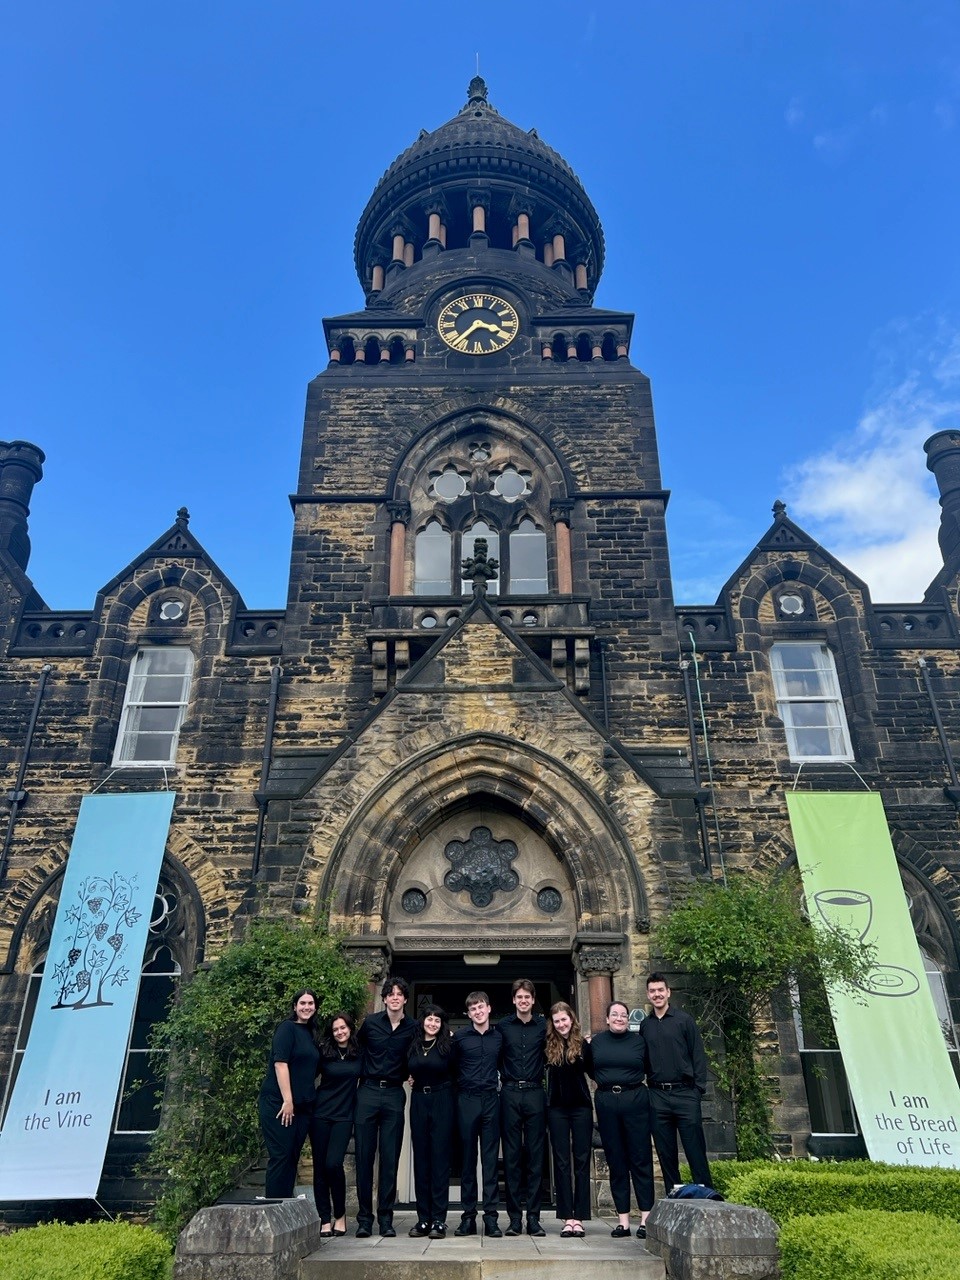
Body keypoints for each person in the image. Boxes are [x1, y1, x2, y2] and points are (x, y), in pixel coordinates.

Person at [354, 975, 416, 1237]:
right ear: (384, 998)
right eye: (390, 994)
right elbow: (355, 1051)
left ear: (405, 999)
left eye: (399, 994)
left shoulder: (413, 1027)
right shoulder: (370, 1023)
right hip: (367, 1092)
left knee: (390, 1158)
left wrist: (415, 1073)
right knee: (364, 1157)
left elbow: (422, 1053)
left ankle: (386, 1219)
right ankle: (364, 1220)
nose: (395, 998)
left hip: (393, 1093)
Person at [588, 999, 654, 1240]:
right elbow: (590, 1068)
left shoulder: (639, 1042)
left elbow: (648, 1067)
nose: (619, 1018)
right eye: (614, 1014)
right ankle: (623, 1222)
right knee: (616, 1160)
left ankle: (646, 1219)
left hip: (635, 1099)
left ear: (628, 1019)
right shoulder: (597, 1043)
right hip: (607, 1101)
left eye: (623, 1015)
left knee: (641, 1158)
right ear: (607, 1019)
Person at [641, 973, 712, 1194]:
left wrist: (697, 1090)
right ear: (648, 995)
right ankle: (674, 1197)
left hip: (685, 1093)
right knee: (666, 1153)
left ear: (668, 992)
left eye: (660, 990)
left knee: (695, 1150)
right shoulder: (645, 1025)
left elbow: (698, 1055)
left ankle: (706, 1197)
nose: (657, 994)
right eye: (652, 991)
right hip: (657, 1096)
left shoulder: (684, 1020)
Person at [451, 990, 503, 1238]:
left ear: (489, 1008)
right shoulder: (459, 1038)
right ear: (468, 1013)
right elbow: (449, 1067)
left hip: (491, 1099)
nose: (478, 1011)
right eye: (473, 1009)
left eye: (481, 1006)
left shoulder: (499, 1037)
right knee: (468, 1161)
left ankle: (491, 1218)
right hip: (467, 1099)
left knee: (490, 1161)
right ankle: (468, 1218)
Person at [257, 989, 320, 1198]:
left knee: (292, 1157)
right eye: (302, 1003)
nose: (306, 1007)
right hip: (280, 1103)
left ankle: (286, 1207)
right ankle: (274, 1206)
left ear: (315, 1007)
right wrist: (288, 1100)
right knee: (281, 1155)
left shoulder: (311, 1032)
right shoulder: (286, 1028)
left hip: (303, 1106)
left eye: (310, 1003)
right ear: (295, 1006)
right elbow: (280, 1064)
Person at [498, 977, 547, 1236]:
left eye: (527, 997)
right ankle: (515, 1219)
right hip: (509, 1093)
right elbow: (491, 1055)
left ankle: (535, 1218)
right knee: (512, 1157)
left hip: (535, 1092)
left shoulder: (544, 1026)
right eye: (520, 997)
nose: (524, 1000)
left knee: (536, 1157)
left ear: (533, 999)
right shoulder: (503, 1026)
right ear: (514, 1000)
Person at [544, 1000, 593, 1238]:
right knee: (562, 1162)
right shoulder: (547, 1046)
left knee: (582, 1161)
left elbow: (595, 1070)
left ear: (571, 1019)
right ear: (552, 1024)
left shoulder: (583, 1044)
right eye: (557, 1021)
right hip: (557, 1109)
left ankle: (580, 1216)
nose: (561, 1024)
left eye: (564, 1019)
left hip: (581, 1108)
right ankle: (567, 1217)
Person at [406, 1004, 455, 1240]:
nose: (433, 1023)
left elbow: (457, 1073)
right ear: (422, 1021)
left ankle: (438, 1220)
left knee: (439, 1161)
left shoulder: (448, 1045)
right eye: (429, 1019)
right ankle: (423, 1218)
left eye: (437, 1020)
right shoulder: (413, 1044)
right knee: (421, 1160)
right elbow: (405, 1068)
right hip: (418, 1101)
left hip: (442, 1100)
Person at [311, 1011, 361, 1237]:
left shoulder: (359, 1053)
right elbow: (306, 1075)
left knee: (333, 1164)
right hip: (321, 1114)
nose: (340, 1032)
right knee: (320, 1167)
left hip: (344, 1116)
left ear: (350, 1028)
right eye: (335, 1029)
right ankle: (324, 1219)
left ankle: (340, 1215)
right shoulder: (324, 1052)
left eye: (343, 1027)